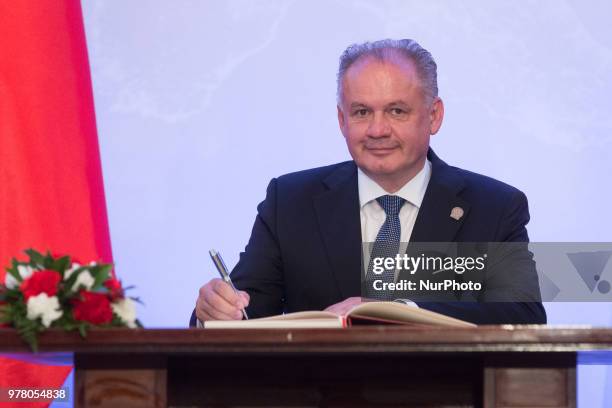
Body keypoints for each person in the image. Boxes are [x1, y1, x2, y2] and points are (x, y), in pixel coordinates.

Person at [191, 39, 546, 326]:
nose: (378, 130)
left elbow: (523, 317)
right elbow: (249, 313)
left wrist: (398, 310)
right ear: (342, 120)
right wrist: (217, 310)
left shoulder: (495, 207)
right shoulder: (290, 201)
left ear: (434, 116)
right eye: (362, 112)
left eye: (397, 111)